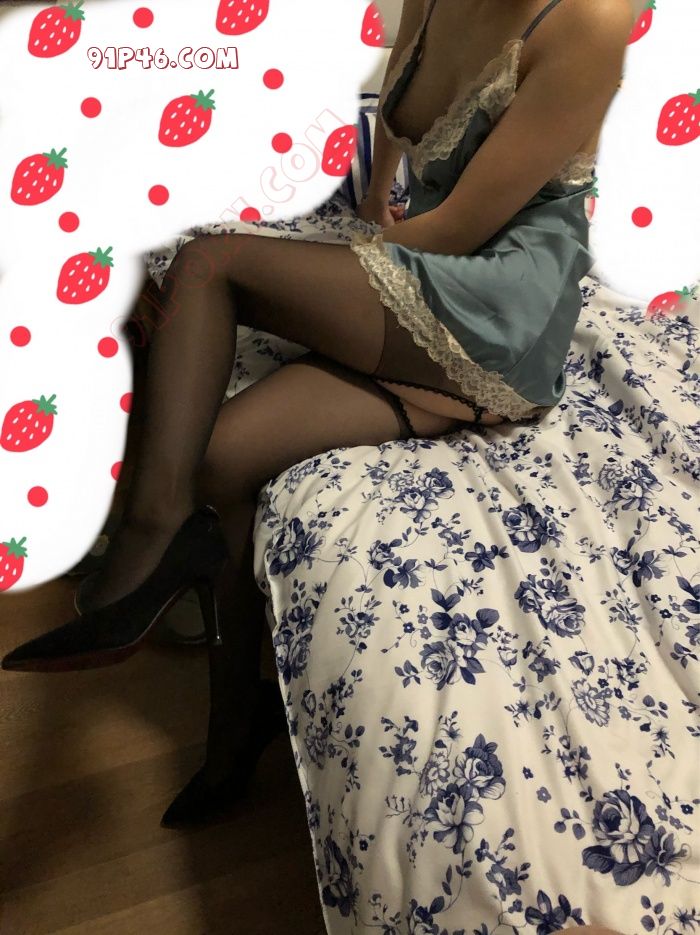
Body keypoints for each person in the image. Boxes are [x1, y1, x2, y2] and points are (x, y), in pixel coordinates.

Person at [1, 0, 633, 829]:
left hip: (498, 309)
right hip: (433, 269)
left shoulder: (591, 21)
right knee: (220, 456)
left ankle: (146, 545)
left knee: (208, 265)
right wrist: (373, 202)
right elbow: (395, 124)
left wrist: (337, 272)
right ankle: (236, 725)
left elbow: (457, 232)